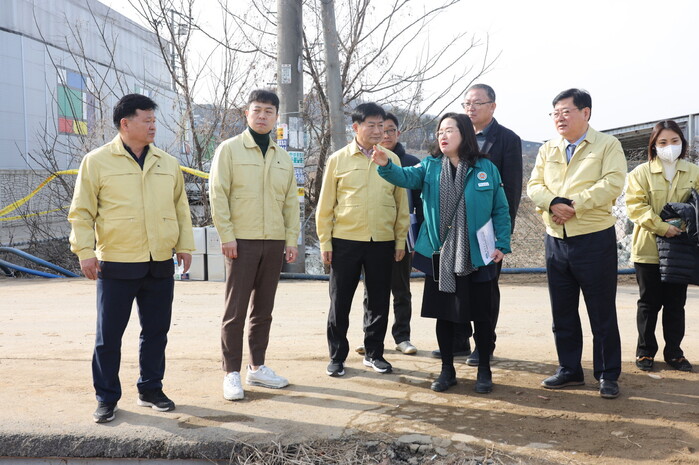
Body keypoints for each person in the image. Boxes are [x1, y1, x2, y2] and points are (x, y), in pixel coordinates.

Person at [68, 94, 195, 423]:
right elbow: (81, 212)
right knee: (108, 336)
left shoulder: (167, 163)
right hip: (117, 260)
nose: (153, 126)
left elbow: (180, 209)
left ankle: (150, 389)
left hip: (159, 260)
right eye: (146, 120)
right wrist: (85, 252)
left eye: (154, 120)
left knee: (156, 331)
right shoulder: (97, 161)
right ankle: (106, 397)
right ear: (125, 123)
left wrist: (185, 246)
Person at [373, 113, 511, 394]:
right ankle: (447, 370)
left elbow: (500, 208)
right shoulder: (430, 166)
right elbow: (404, 177)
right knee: (445, 315)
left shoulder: (485, 167)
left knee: (482, 316)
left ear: (465, 134)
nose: (443, 136)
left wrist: (502, 243)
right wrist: (386, 164)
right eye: (439, 132)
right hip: (441, 255)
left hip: (479, 254)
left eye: (449, 130)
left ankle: (484, 370)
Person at [527, 88, 626, 399]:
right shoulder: (548, 149)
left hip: (594, 239)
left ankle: (607, 373)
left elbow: (612, 183)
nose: (559, 118)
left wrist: (573, 205)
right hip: (556, 239)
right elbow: (534, 185)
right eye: (555, 113)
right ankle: (569, 369)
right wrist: (552, 203)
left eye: (566, 111)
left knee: (601, 311)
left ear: (586, 112)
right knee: (563, 310)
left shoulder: (607, 145)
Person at [209, 89, 300, 401]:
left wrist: (291, 239)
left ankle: (257, 367)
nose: (262, 116)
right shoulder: (230, 150)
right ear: (246, 113)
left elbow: (290, 203)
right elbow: (218, 194)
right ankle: (231, 373)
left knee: (264, 309)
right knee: (235, 310)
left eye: (268, 111)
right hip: (241, 241)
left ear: (276, 117)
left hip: (273, 241)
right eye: (257, 110)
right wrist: (227, 235)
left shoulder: (282, 157)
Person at [431, 83, 522, 366]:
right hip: (452, 232)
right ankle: (459, 340)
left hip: (485, 234)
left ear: (492, 106)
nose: (470, 108)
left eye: (477, 103)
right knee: (454, 285)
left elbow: (510, 192)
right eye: (467, 103)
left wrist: (501, 237)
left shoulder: (507, 139)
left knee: (485, 290)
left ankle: (484, 345)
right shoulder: (452, 137)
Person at [316, 102, 409, 377]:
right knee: (340, 301)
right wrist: (325, 242)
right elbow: (325, 205)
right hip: (345, 240)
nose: (378, 131)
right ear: (356, 127)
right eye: (371, 125)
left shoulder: (391, 160)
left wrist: (400, 240)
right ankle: (337, 357)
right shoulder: (338, 160)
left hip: (382, 240)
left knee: (379, 300)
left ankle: (374, 354)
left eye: (382, 125)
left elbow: (401, 204)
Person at [626, 120, 697, 373]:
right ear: (654, 146)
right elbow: (636, 206)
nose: (669, 146)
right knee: (649, 302)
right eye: (663, 142)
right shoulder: (640, 173)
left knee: (676, 303)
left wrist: (686, 223)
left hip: (679, 250)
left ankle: (674, 353)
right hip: (648, 249)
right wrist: (661, 226)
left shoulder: (693, 172)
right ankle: (645, 351)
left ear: (682, 143)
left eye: (674, 141)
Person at [356, 112, 423, 356]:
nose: (384, 134)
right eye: (379, 129)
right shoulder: (367, 159)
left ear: (398, 133)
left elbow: (420, 204)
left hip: (403, 234)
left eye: (390, 130)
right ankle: (371, 337)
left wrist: (417, 239)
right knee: (371, 290)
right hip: (372, 235)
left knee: (401, 288)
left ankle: (402, 336)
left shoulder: (411, 162)